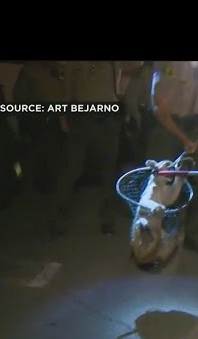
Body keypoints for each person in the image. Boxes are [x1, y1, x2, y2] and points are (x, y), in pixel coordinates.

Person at [146, 61, 198, 257]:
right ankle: (155, 239)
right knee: (162, 182)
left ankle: (193, 237)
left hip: (195, 122)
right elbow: (159, 108)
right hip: (167, 124)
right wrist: (184, 139)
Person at [51, 61, 131, 236]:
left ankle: (108, 218)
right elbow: (67, 90)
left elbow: (129, 71)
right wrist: (63, 118)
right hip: (82, 121)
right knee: (71, 170)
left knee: (109, 171)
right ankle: (59, 217)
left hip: (108, 121)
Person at [13, 61, 70, 196]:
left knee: (55, 151)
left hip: (54, 120)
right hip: (39, 120)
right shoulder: (29, 71)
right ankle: (44, 184)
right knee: (43, 153)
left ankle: (52, 182)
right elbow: (19, 96)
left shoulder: (54, 69)